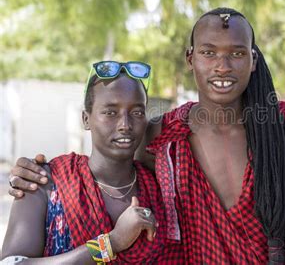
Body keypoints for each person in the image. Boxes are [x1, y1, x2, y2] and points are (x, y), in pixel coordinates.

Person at [7, 8, 285, 263]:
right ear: (190, 58)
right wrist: (37, 174)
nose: (222, 66)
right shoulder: (166, 138)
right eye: (209, 53)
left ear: (253, 61)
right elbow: (107, 160)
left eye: (237, 53)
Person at [2, 62, 164, 264]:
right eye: (110, 112)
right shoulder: (46, 181)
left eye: (137, 112)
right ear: (86, 119)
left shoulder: (161, 190)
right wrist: (111, 243)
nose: (125, 125)